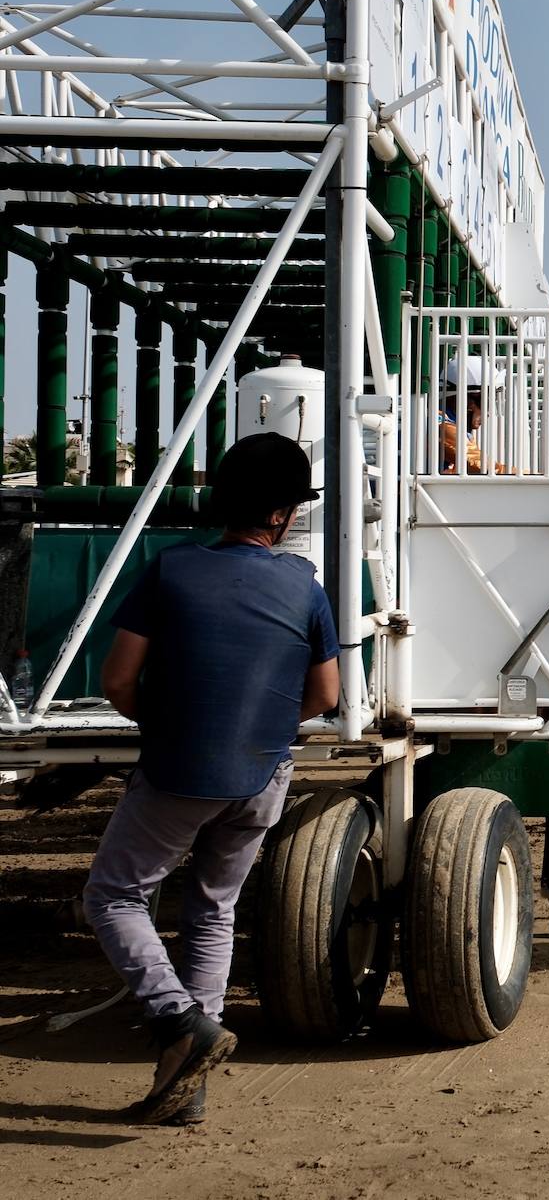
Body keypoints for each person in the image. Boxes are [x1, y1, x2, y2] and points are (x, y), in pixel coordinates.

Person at [82, 433, 339, 1124]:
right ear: (282, 515)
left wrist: (168, 725)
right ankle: (187, 1091)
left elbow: (116, 681)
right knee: (213, 911)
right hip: (264, 775)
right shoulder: (304, 585)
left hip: (180, 769)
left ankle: (178, 1022)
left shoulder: (171, 569)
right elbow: (325, 696)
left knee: (111, 897)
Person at [439, 356, 503, 473]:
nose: (488, 412)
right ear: (466, 399)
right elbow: (479, 466)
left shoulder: (450, 422)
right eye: (485, 402)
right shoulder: (442, 425)